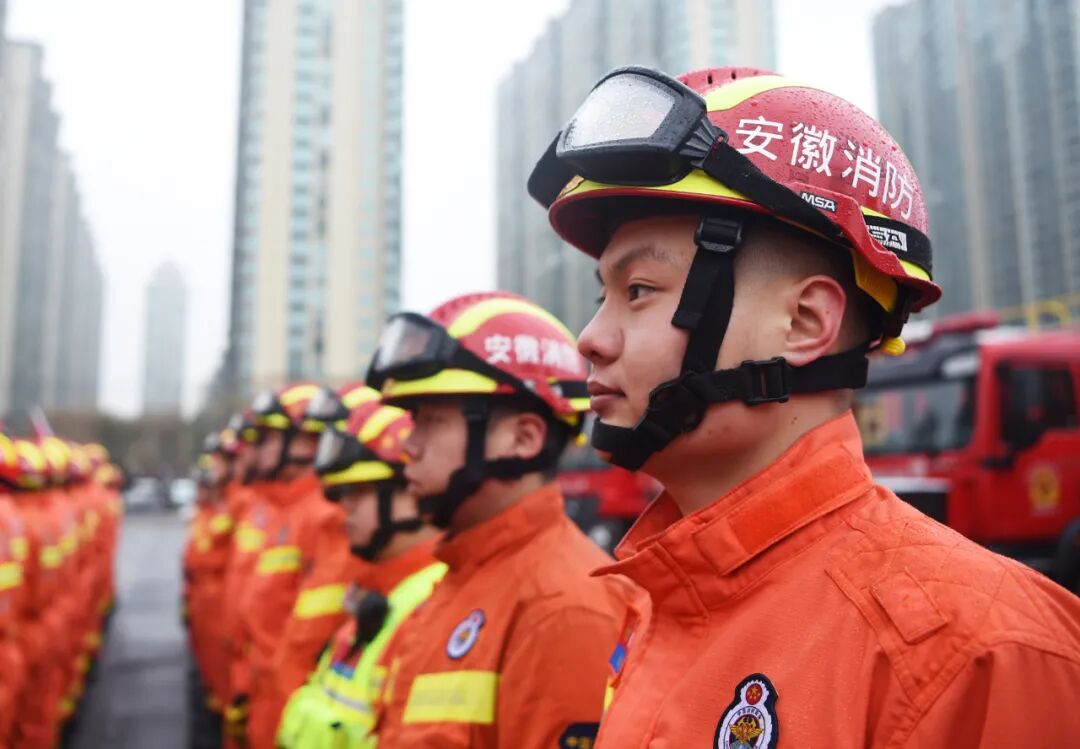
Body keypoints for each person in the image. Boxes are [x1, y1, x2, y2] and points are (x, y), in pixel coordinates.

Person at [526, 64, 1080, 746]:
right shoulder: (657, 598)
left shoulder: (981, 653)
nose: (590, 339)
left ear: (805, 323)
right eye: (600, 295)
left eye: (639, 289)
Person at [368, 291, 640, 749]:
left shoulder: (564, 608)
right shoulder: (463, 574)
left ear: (523, 437)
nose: (407, 447)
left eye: (431, 420)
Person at [277, 391, 444, 748]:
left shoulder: (426, 602)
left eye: (360, 490)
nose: (344, 507)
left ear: (412, 491)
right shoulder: (380, 589)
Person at [229, 383, 361, 749]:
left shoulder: (324, 514)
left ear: (305, 441)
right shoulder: (285, 508)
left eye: (271, 437)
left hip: (288, 701)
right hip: (265, 691)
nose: (258, 448)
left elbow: (311, 635)